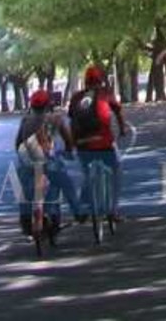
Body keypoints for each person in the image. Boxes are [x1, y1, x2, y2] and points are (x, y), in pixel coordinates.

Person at [13, 88, 84, 235]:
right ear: (48, 105)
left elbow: (17, 143)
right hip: (49, 163)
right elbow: (68, 140)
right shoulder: (56, 119)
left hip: (27, 164)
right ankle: (78, 212)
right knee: (66, 183)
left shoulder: (25, 120)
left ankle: (25, 220)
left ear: (32, 106)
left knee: (26, 190)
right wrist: (69, 151)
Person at [68, 65, 125, 225]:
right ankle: (113, 210)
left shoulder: (76, 98)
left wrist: (73, 143)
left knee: (87, 175)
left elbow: (72, 122)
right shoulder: (106, 94)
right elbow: (118, 112)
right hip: (104, 142)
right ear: (101, 80)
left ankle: (82, 208)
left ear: (85, 81)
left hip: (82, 145)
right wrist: (122, 130)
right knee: (117, 170)